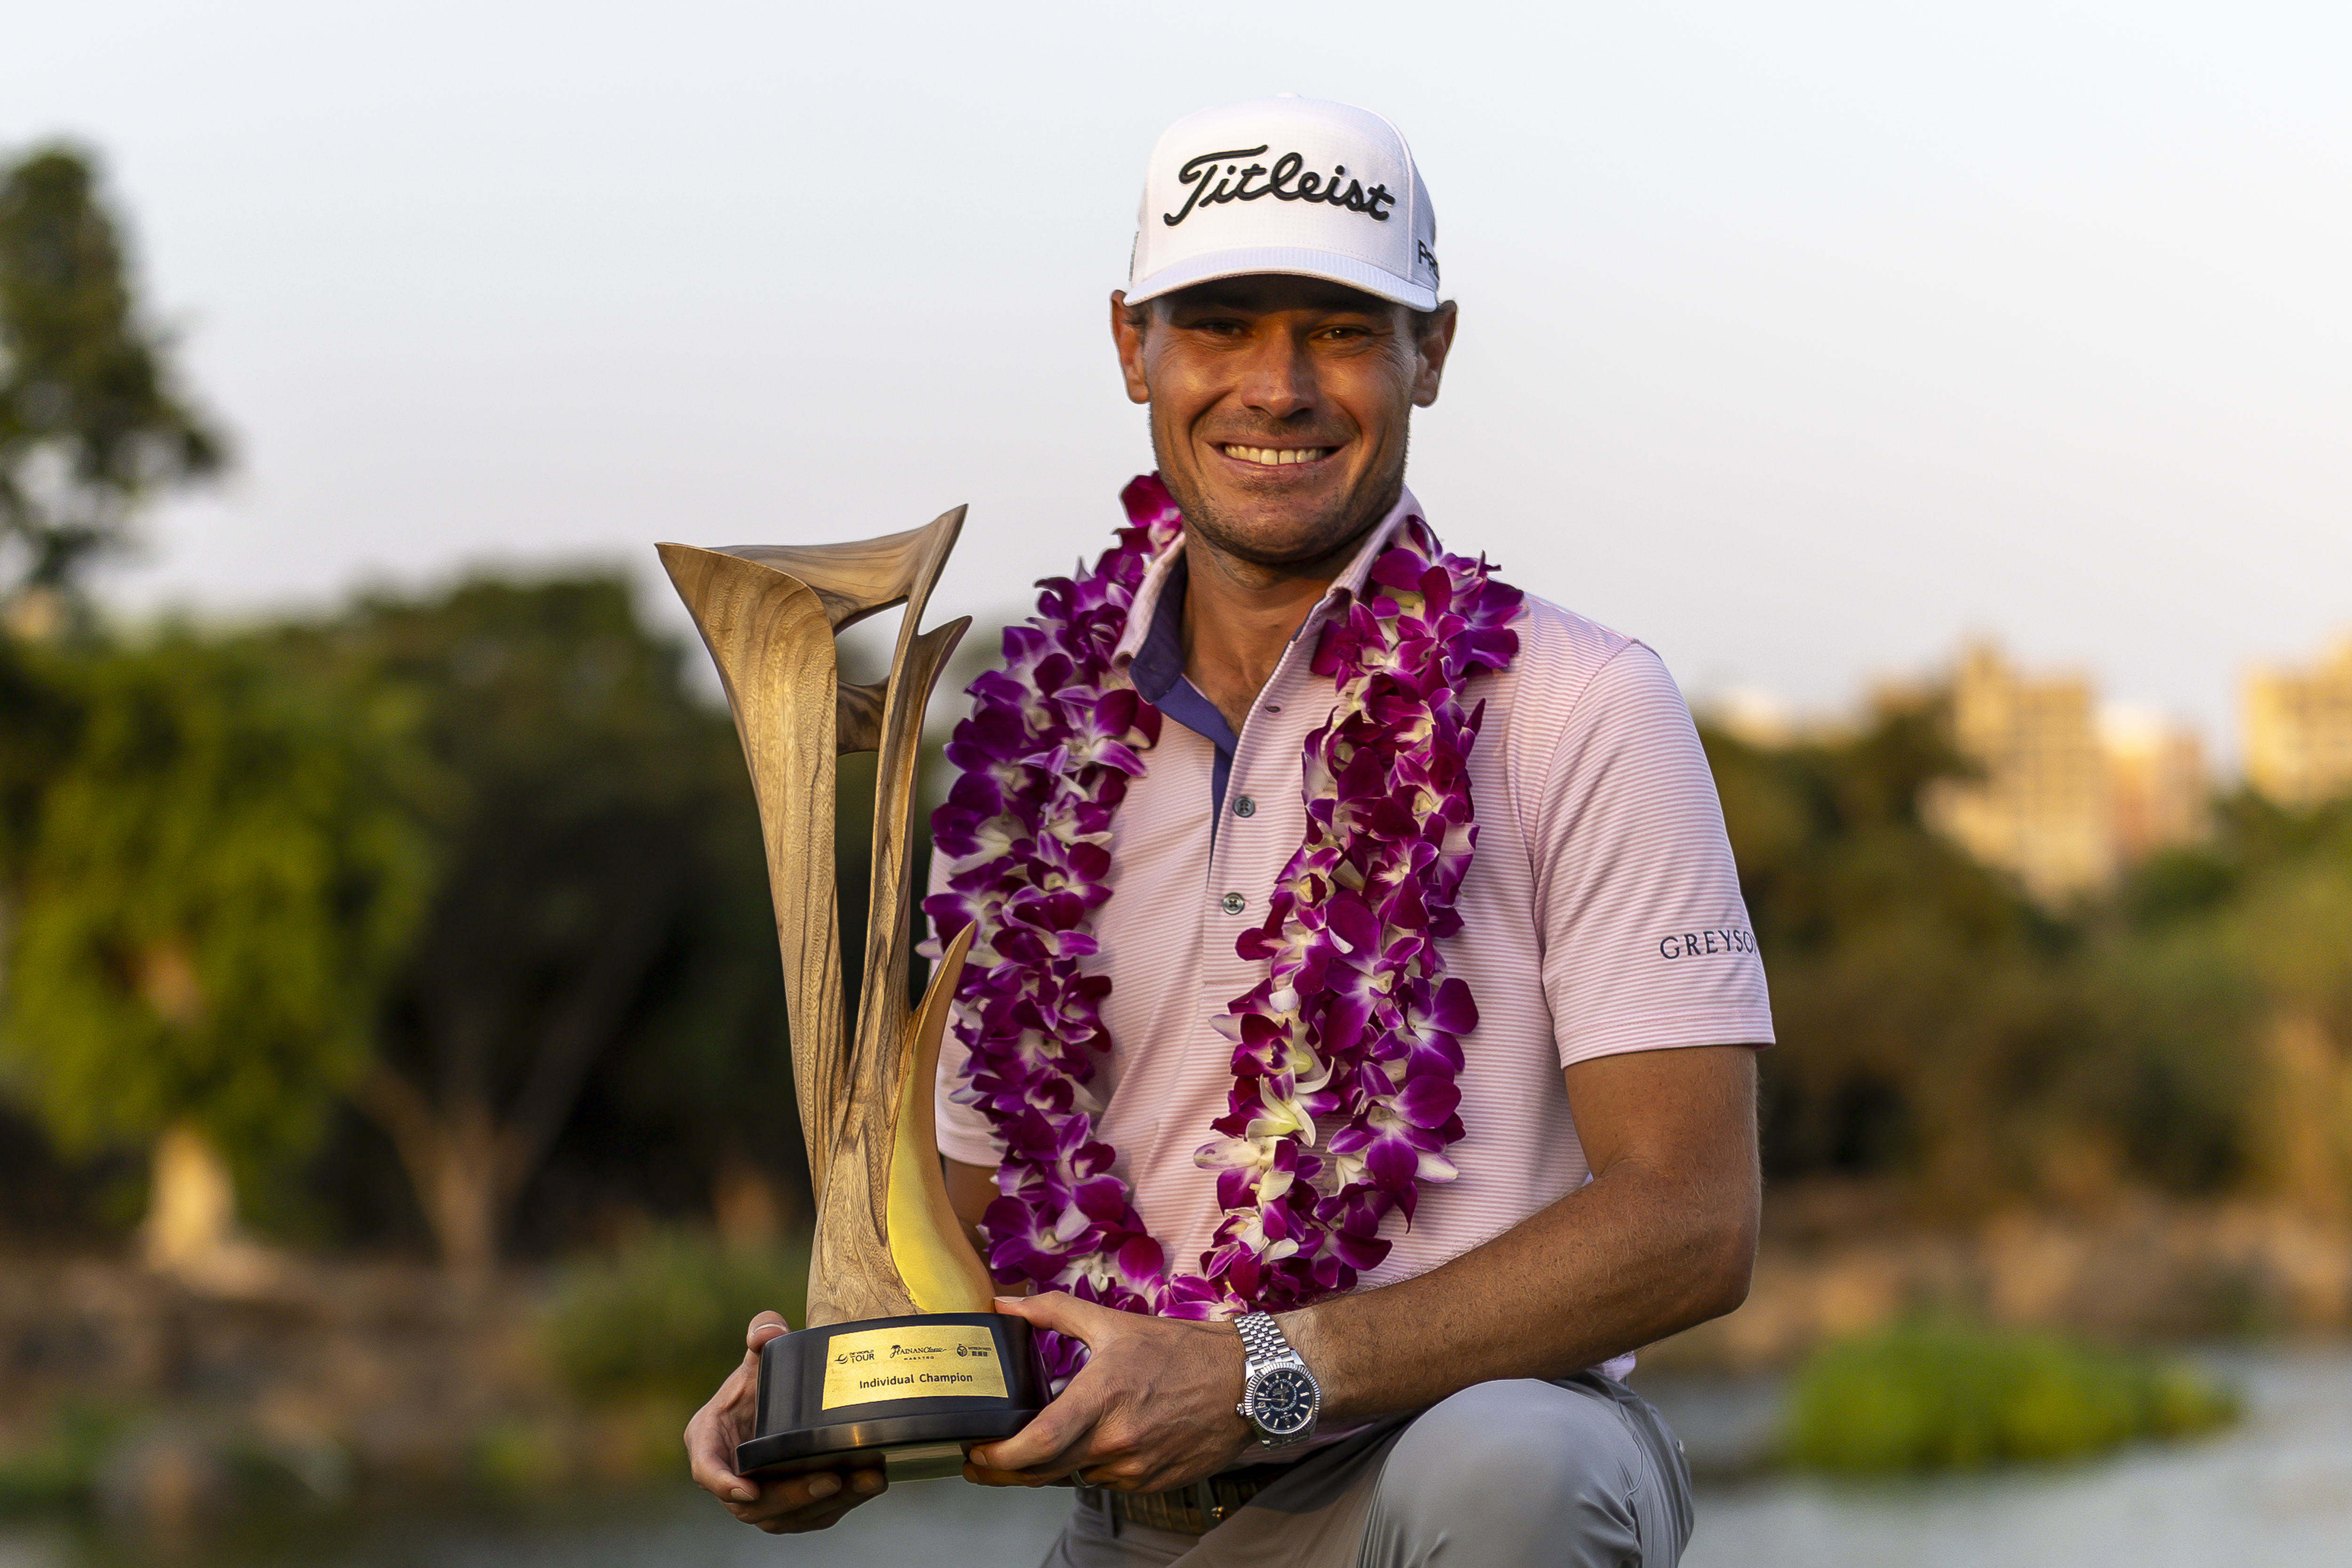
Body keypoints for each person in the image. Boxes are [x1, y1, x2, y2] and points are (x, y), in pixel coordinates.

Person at [687, 94, 1772, 1566]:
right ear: (1132, 343)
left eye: (1339, 328)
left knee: (1512, 1465)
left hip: (1432, 1483)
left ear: (1429, 355)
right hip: (1133, 1527)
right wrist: (831, 1395)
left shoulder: (1581, 703)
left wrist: (1264, 1373)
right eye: (1220, 325)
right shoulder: (1022, 764)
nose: (1278, 388)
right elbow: (968, 1219)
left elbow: (1693, 1220)